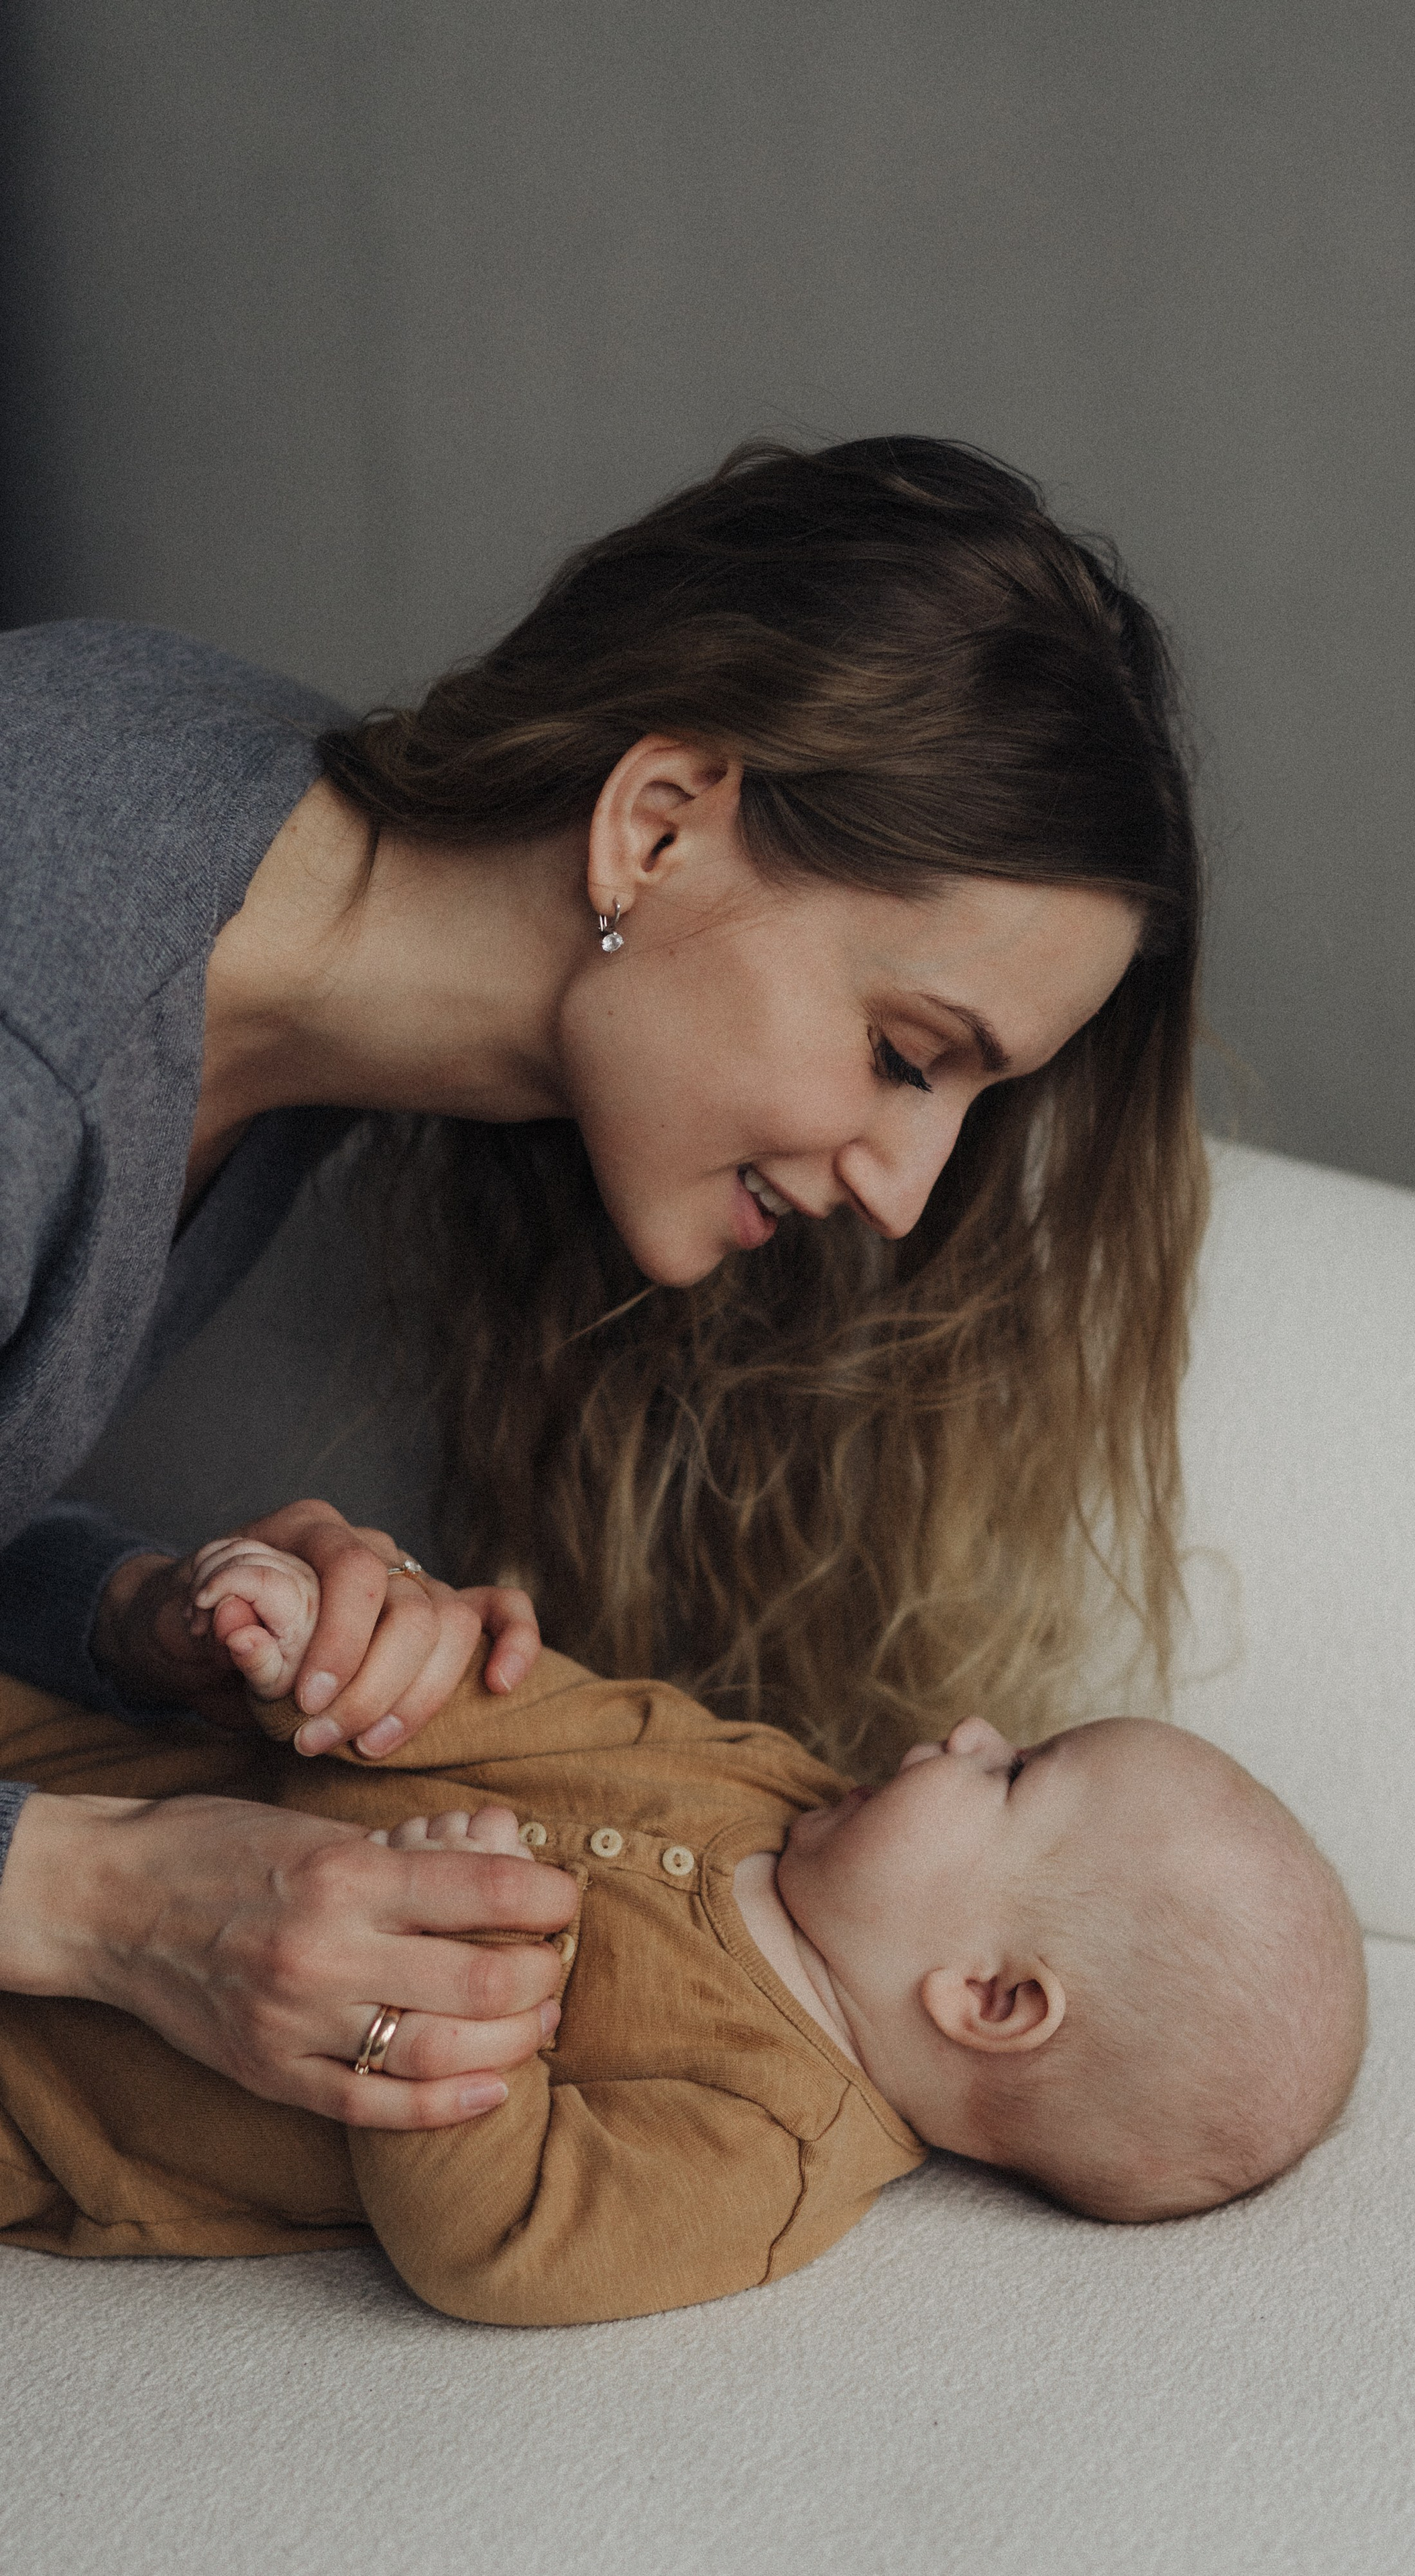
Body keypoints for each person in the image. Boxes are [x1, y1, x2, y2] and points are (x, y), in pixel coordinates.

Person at [0, 435, 1206, 2134]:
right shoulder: (42, 1023)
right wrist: (99, 1897)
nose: (904, 1189)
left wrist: (140, 1624)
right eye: (899, 1051)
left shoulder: (247, 925)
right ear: (655, 827)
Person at [0, 1538, 1365, 2322]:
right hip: (82, 1768)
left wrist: (470, 2004)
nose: (966, 1730)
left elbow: (503, 2247)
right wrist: (321, 1648)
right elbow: (529, 1706)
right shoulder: (765, 1780)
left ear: (990, 1999)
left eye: (1014, 1773)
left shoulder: (765, 2153)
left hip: (58, 2107)